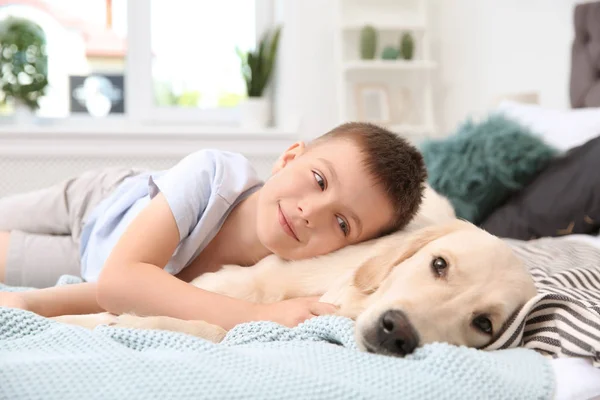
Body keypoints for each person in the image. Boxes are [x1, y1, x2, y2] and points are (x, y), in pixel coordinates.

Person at [0, 122, 427, 330]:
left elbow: (125, 290)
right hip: (100, 202)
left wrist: (32, 303)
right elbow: (123, 281)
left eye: (341, 222)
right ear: (290, 157)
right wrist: (259, 316)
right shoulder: (214, 174)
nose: (310, 212)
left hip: (86, 261)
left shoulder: (275, 277)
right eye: (319, 180)